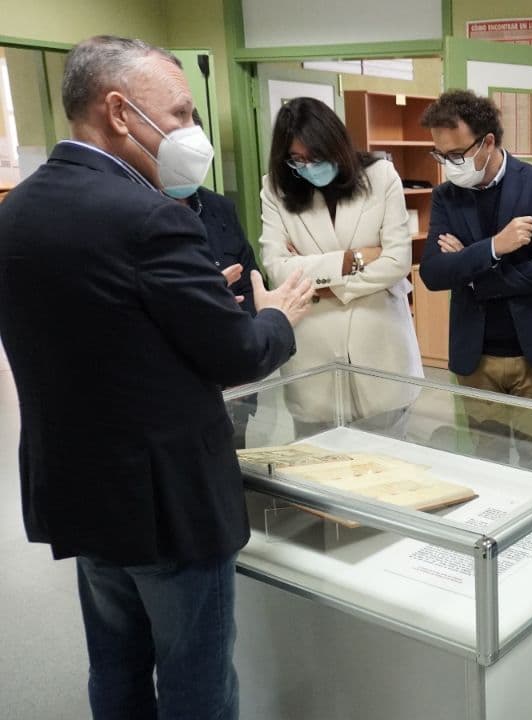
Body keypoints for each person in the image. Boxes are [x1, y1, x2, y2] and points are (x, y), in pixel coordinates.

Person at [0, 35, 311, 718]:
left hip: (80, 491)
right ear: (119, 111)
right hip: (167, 506)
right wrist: (276, 316)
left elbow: (98, 329)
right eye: (180, 114)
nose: (192, 131)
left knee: (114, 667)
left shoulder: (17, 211)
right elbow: (239, 355)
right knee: (197, 680)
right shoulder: (150, 218)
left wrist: (190, 300)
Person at [419, 90, 532, 474]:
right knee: (487, 463)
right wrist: (495, 247)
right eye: (440, 156)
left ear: (488, 142)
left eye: (456, 155)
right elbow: (433, 273)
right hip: (477, 356)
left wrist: (472, 273)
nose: (449, 166)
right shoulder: (446, 197)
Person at [259, 97, 423, 435]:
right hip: (313, 350)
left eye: (316, 156)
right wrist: (354, 259)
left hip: (380, 343)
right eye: (297, 159)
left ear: (336, 145)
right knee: (319, 457)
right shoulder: (276, 188)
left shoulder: (381, 176)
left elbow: (397, 261)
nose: (308, 166)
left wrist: (325, 284)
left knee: (388, 457)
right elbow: (277, 269)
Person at [188, 107, 262, 448]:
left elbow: (251, 282)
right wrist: (208, 295)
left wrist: (247, 360)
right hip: (188, 385)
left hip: (237, 379)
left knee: (237, 460)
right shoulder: (141, 214)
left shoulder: (219, 208)